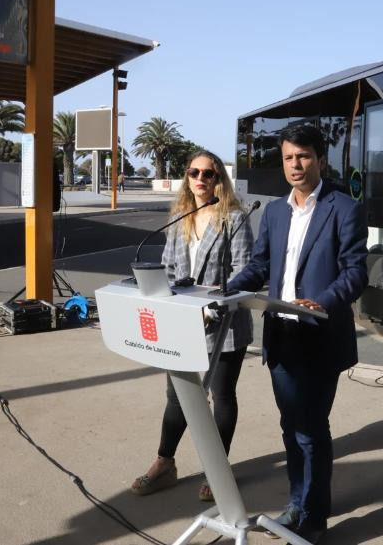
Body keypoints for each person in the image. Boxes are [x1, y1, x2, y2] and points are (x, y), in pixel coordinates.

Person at [228, 124, 367, 543]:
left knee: (309, 428)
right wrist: (227, 288)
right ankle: (302, 501)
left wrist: (322, 301)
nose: (295, 165)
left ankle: (312, 517)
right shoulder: (273, 212)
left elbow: (356, 272)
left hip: (319, 334)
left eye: (303, 156)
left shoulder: (344, 208)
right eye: (289, 157)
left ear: (320, 160)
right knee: (291, 426)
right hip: (280, 333)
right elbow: (260, 265)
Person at [130, 151, 253, 503]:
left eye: (209, 174)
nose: (201, 179)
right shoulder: (181, 217)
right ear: (187, 177)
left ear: (219, 180)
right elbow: (169, 268)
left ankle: (218, 471)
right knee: (178, 397)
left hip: (225, 323)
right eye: (193, 172)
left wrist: (210, 308)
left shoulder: (234, 219)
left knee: (222, 396)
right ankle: (164, 464)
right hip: (181, 322)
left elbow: (243, 272)